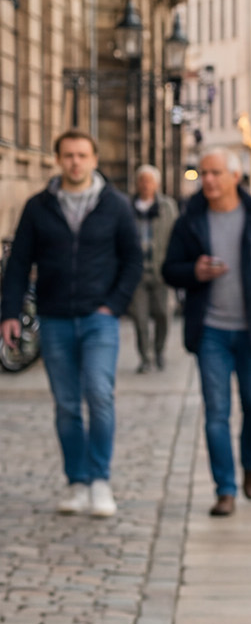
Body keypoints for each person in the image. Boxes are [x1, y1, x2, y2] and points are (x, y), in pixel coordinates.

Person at [0, 132, 143, 517]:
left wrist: (113, 305)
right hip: (56, 317)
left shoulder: (115, 206)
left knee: (99, 395)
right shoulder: (38, 207)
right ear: (58, 160)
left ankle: (99, 479)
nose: (75, 162)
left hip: (100, 319)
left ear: (95, 159)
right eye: (68, 155)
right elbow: (17, 264)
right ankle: (76, 481)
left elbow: (133, 260)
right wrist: (9, 313)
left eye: (82, 155)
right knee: (66, 405)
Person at [162, 149, 251, 517]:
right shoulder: (190, 219)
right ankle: (224, 488)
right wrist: (193, 271)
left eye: (214, 173)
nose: (207, 180)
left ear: (234, 177)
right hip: (210, 329)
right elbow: (169, 269)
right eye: (203, 173)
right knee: (216, 412)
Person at [127, 165, 175, 372]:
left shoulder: (167, 206)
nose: (146, 185)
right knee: (140, 318)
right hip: (136, 273)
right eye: (142, 181)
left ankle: (159, 350)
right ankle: (145, 358)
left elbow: (176, 237)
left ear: (157, 184)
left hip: (161, 271)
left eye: (150, 181)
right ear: (137, 184)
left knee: (164, 314)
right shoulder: (127, 207)